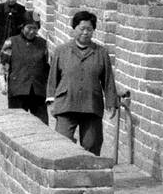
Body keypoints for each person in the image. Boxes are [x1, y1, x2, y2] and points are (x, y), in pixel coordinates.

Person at [46, 9, 119, 155]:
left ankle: (90, 175)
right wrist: (51, 100)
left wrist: (111, 102)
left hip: (91, 104)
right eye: (82, 29)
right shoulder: (61, 51)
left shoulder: (101, 53)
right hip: (66, 103)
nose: (85, 33)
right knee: (62, 142)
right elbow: (52, 78)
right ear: (74, 29)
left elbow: (108, 80)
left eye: (90, 30)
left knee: (92, 144)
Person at [0, 17, 50, 122]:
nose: (32, 31)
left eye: (35, 28)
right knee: (17, 122)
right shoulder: (11, 42)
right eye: (29, 28)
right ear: (22, 28)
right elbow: (3, 63)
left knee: (42, 124)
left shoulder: (43, 44)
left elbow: (47, 67)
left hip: (38, 91)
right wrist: (2, 81)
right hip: (18, 90)